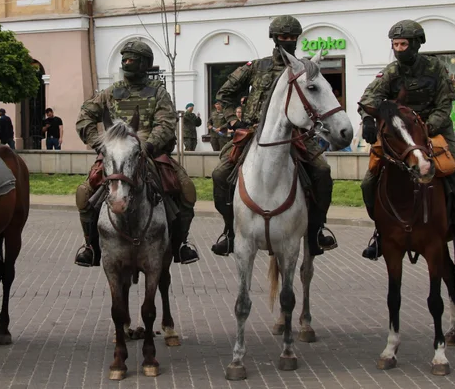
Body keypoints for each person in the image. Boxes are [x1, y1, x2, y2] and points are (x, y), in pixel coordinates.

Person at [210, 14, 338, 259]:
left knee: (321, 172)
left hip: (297, 135)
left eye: (292, 37)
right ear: (274, 38)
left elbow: (318, 98)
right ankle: (230, 230)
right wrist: (234, 121)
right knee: (220, 174)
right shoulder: (257, 66)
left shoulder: (304, 68)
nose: (288, 41)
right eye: (283, 37)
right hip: (253, 133)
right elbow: (224, 94)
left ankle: (316, 229)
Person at [358, 20, 455, 261]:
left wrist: (425, 128)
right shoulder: (391, 72)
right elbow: (369, 98)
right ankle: (380, 232)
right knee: (368, 182)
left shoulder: (436, 68)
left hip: (436, 132)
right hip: (402, 136)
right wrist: (368, 118)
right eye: (395, 44)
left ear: (416, 44)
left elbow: (444, 105)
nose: (399, 48)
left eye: (404, 44)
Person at [74, 39, 199, 267]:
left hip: (153, 154)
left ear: (144, 63)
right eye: (124, 58)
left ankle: (181, 243)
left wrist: (147, 146)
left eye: (131, 58)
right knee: (83, 194)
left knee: (187, 190)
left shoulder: (159, 93)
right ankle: (90, 246)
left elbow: (166, 123)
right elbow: (85, 117)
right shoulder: (110, 92)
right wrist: (100, 144)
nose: (126, 62)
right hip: (115, 156)